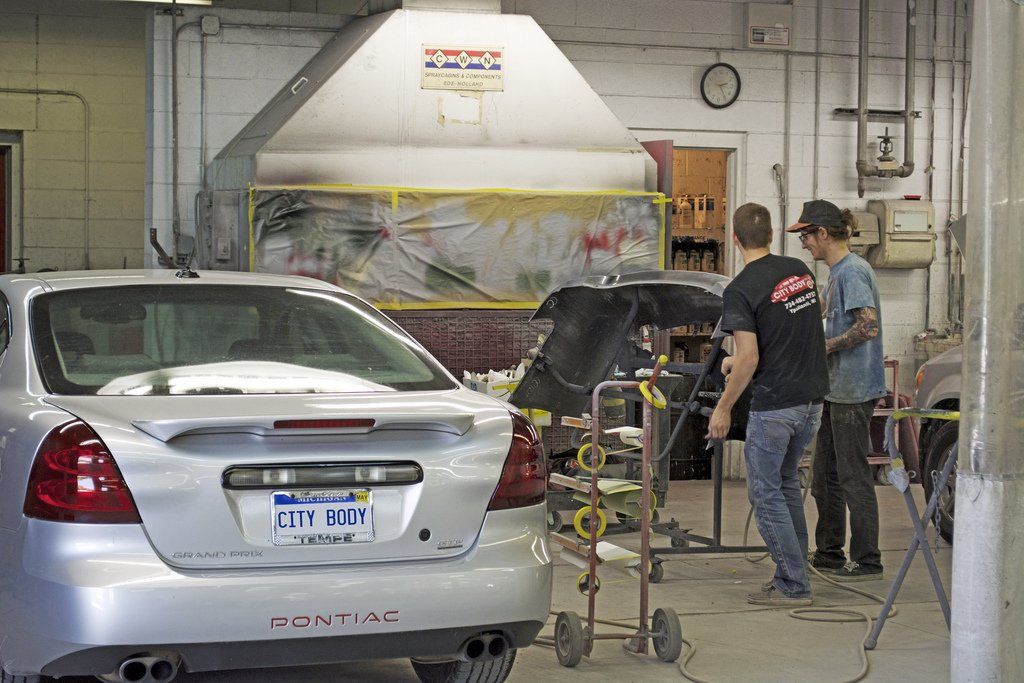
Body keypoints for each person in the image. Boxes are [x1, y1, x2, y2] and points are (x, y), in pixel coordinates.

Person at [708, 203, 828, 606]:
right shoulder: (800, 271)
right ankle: (791, 572)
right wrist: (735, 361)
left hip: (776, 405)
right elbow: (788, 330)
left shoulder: (740, 289)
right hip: (812, 401)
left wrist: (723, 407)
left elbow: (750, 358)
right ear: (773, 235)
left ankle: (794, 583)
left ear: (735, 238)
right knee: (786, 483)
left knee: (765, 492)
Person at [787, 199, 886, 581]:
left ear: (823, 233)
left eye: (806, 235)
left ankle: (867, 559)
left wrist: (823, 346)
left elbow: (867, 328)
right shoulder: (836, 273)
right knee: (826, 474)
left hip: (854, 390)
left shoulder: (853, 272)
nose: (804, 244)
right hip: (835, 389)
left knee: (852, 475)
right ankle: (829, 552)